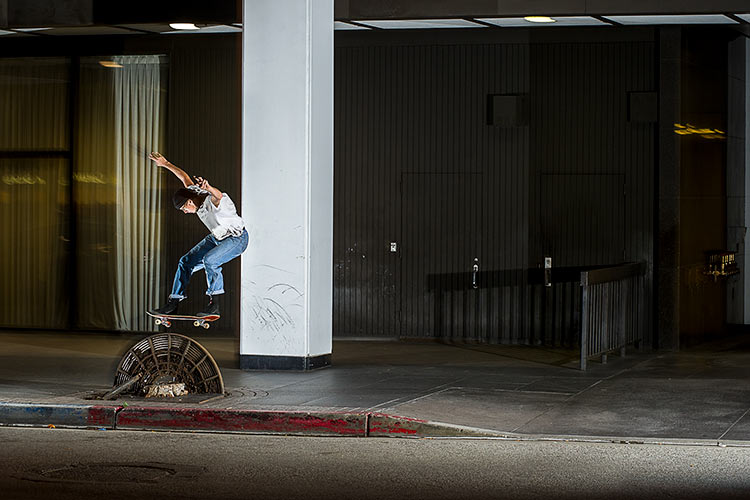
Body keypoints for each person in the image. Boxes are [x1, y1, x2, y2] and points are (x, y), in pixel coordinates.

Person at [148, 151, 248, 318]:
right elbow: (184, 177)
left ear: (189, 202)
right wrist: (165, 163)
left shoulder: (212, 200)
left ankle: (214, 305)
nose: (186, 212)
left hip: (237, 239)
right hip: (217, 238)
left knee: (211, 260)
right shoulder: (193, 192)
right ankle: (173, 303)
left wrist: (209, 188)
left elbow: (218, 196)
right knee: (185, 262)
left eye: (185, 209)